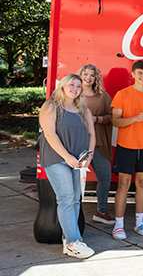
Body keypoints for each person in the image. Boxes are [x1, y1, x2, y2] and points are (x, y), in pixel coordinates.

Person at [38, 74, 96, 258]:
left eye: (78, 86)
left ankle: (69, 239)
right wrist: (67, 156)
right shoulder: (51, 105)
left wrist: (89, 157)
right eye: (71, 84)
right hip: (57, 158)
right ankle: (73, 242)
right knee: (66, 198)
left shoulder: (83, 109)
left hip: (79, 160)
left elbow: (92, 134)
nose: (75, 88)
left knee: (75, 199)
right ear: (63, 87)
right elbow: (49, 134)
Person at [110, 60, 143, 239]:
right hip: (126, 146)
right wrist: (135, 118)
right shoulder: (122, 94)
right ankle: (118, 225)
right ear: (132, 74)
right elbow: (115, 121)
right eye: (140, 73)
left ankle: (139, 223)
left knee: (142, 184)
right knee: (123, 185)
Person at [77, 64, 114, 226]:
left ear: (96, 78)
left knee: (105, 176)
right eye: (85, 74)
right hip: (76, 144)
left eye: (92, 75)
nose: (88, 77)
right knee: (73, 179)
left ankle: (101, 211)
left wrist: (96, 119)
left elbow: (112, 117)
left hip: (97, 143)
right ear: (80, 75)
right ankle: (72, 212)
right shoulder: (73, 94)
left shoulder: (103, 96)